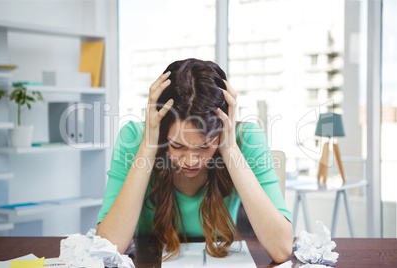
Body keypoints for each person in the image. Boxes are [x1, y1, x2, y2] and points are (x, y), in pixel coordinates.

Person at [96, 58, 293, 263]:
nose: (191, 161)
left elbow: (281, 248)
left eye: (204, 146)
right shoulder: (135, 138)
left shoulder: (246, 138)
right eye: (177, 145)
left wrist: (229, 149)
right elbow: (109, 246)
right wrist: (148, 146)